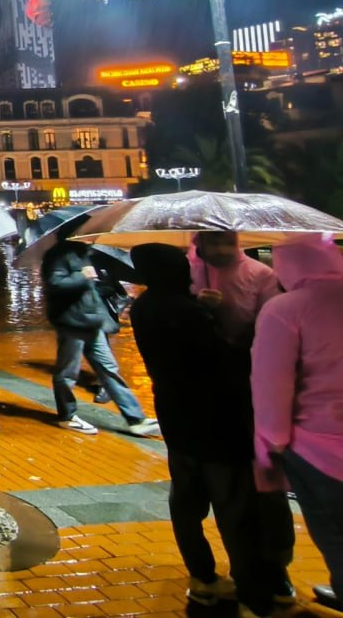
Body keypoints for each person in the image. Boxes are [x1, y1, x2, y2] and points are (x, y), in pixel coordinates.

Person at [130, 244, 287, 618]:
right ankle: (253, 597)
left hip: (175, 419)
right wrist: (214, 316)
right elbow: (223, 363)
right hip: (218, 424)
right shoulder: (190, 313)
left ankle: (202, 579)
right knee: (234, 511)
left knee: (186, 505)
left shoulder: (142, 307)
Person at [253, 236, 343, 613]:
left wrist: (270, 443)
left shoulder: (285, 309)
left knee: (335, 534)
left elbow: (272, 383)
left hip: (318, 450)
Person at [42, 239, 158, 437]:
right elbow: (54, 283)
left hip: (92, 322)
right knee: (67, 372)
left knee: (109, 369)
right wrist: (83, 277)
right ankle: (67, 416)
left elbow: (90, 287)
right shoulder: (57, 255)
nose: (91, 237)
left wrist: (99, 288)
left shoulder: (86, 253)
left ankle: (136, 419)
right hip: (72, 323)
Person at [191, 231, 281, 347]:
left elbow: (270, 319)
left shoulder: (261, 273)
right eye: (214, 243)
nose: (222, 250)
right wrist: (198, 304)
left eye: (230, 243)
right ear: (198, 241)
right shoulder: (187, 269)